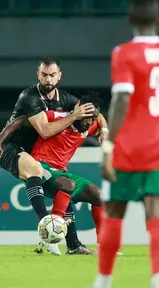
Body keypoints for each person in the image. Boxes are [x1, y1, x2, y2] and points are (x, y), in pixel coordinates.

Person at [91, 0, 159, 287]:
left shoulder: (123, 53)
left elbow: (121, 99)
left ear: (129, 19)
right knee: (156, 209)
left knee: (113, 211)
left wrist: (108, 146)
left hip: (127, 147)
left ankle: (103, 281)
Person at [0, 58, 107, 255]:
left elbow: (93, 110)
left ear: (59, 76)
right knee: (37, 170)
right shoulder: (30, 96)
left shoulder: (65, 100)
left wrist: (104, 127)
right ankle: (46, 228)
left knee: (69, 189)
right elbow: (37, 128)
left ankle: (74, 245)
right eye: (44, 75)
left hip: (34, 154)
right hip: (11, 147)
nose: (48, 79)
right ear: (38, 75)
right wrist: (1, 140)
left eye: (52, 75)